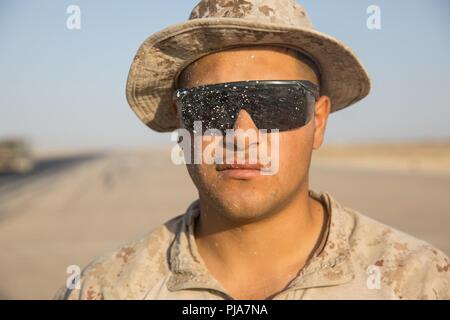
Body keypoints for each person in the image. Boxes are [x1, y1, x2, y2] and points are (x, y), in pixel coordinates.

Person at [56, 0, 450, 300]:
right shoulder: (104, 289)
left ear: (320, 121)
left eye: (275, 104)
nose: (242, 135)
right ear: (182, 123)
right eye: (212, 106)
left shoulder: (421, 282)